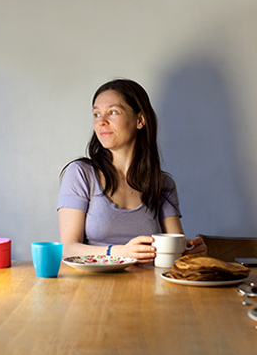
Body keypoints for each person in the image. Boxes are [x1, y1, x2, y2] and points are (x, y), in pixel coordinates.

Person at [57, 78, 207, 263]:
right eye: (96, 114)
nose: (101, 122)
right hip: (95, 289)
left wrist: (191, 250)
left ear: (140, 119)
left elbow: (176, 248)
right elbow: (68, 249)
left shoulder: (162, 184)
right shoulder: (81, 174)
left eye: (112, 112)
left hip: (150, 287)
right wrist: (121, 252)